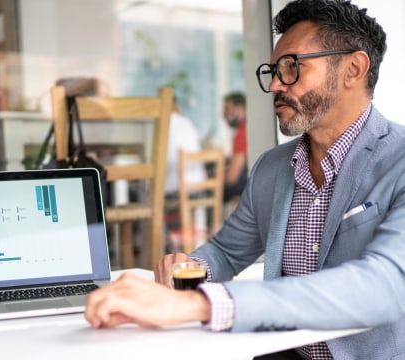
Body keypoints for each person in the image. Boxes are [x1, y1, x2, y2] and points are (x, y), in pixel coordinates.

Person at [85, 1, 405, 359]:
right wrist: (191, 267)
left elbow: (385, 285)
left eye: (291, 67)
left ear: (353, 69)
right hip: (281, 352)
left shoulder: (400, 160)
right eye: (273, 70)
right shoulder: (272, 167)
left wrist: (201, 305)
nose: (274, 86)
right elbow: (226, 251)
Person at [164, 96, 207, 249]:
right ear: (176, 106)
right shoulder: (188, 123)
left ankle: (166, 247)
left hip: (175, 192)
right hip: (198, 189)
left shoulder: (162, 125)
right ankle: (194, 245)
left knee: (149, 195)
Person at [222, 92, 248, 203]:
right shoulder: (247, 129)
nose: (224, 114)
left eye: (227, 109)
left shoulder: (242, 133)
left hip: (243, 190)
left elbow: (232, 178)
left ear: (241, 109)